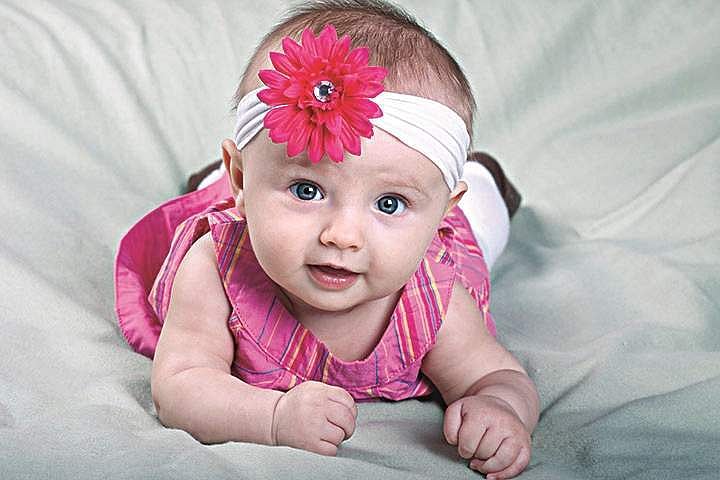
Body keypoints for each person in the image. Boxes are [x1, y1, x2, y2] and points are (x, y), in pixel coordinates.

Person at [114, 1, 539, 479]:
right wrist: (273, 419)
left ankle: (482, 178)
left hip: (452, 228)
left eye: (390, 203)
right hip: (249, 206)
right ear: (241, 178)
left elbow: (496, 376)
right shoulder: (215, 269)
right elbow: (181, 386)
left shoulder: (434, 298)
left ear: (440, 211)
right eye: (307, 189)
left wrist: (501, 410)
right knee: (239, 194)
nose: (343, 236)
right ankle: (225, 182)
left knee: (483, 219)